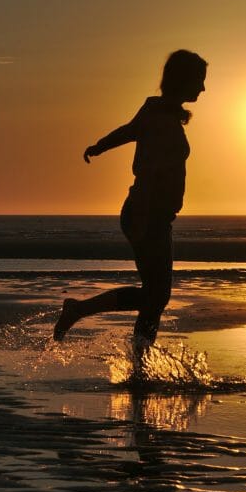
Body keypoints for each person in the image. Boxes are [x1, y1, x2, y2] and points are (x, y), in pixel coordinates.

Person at [53, 50, 207, 373]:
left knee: (155, 296)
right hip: (147, 215)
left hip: (153, 216)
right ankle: (132, 361)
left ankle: (136, 362)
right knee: (156, 296)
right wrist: (142, 219)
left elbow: (127, 132)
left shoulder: (157, 110)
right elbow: (149, 172)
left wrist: (99, 146)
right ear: (184, 79)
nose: (203, 89)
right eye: (200, 81)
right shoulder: (160, 117)